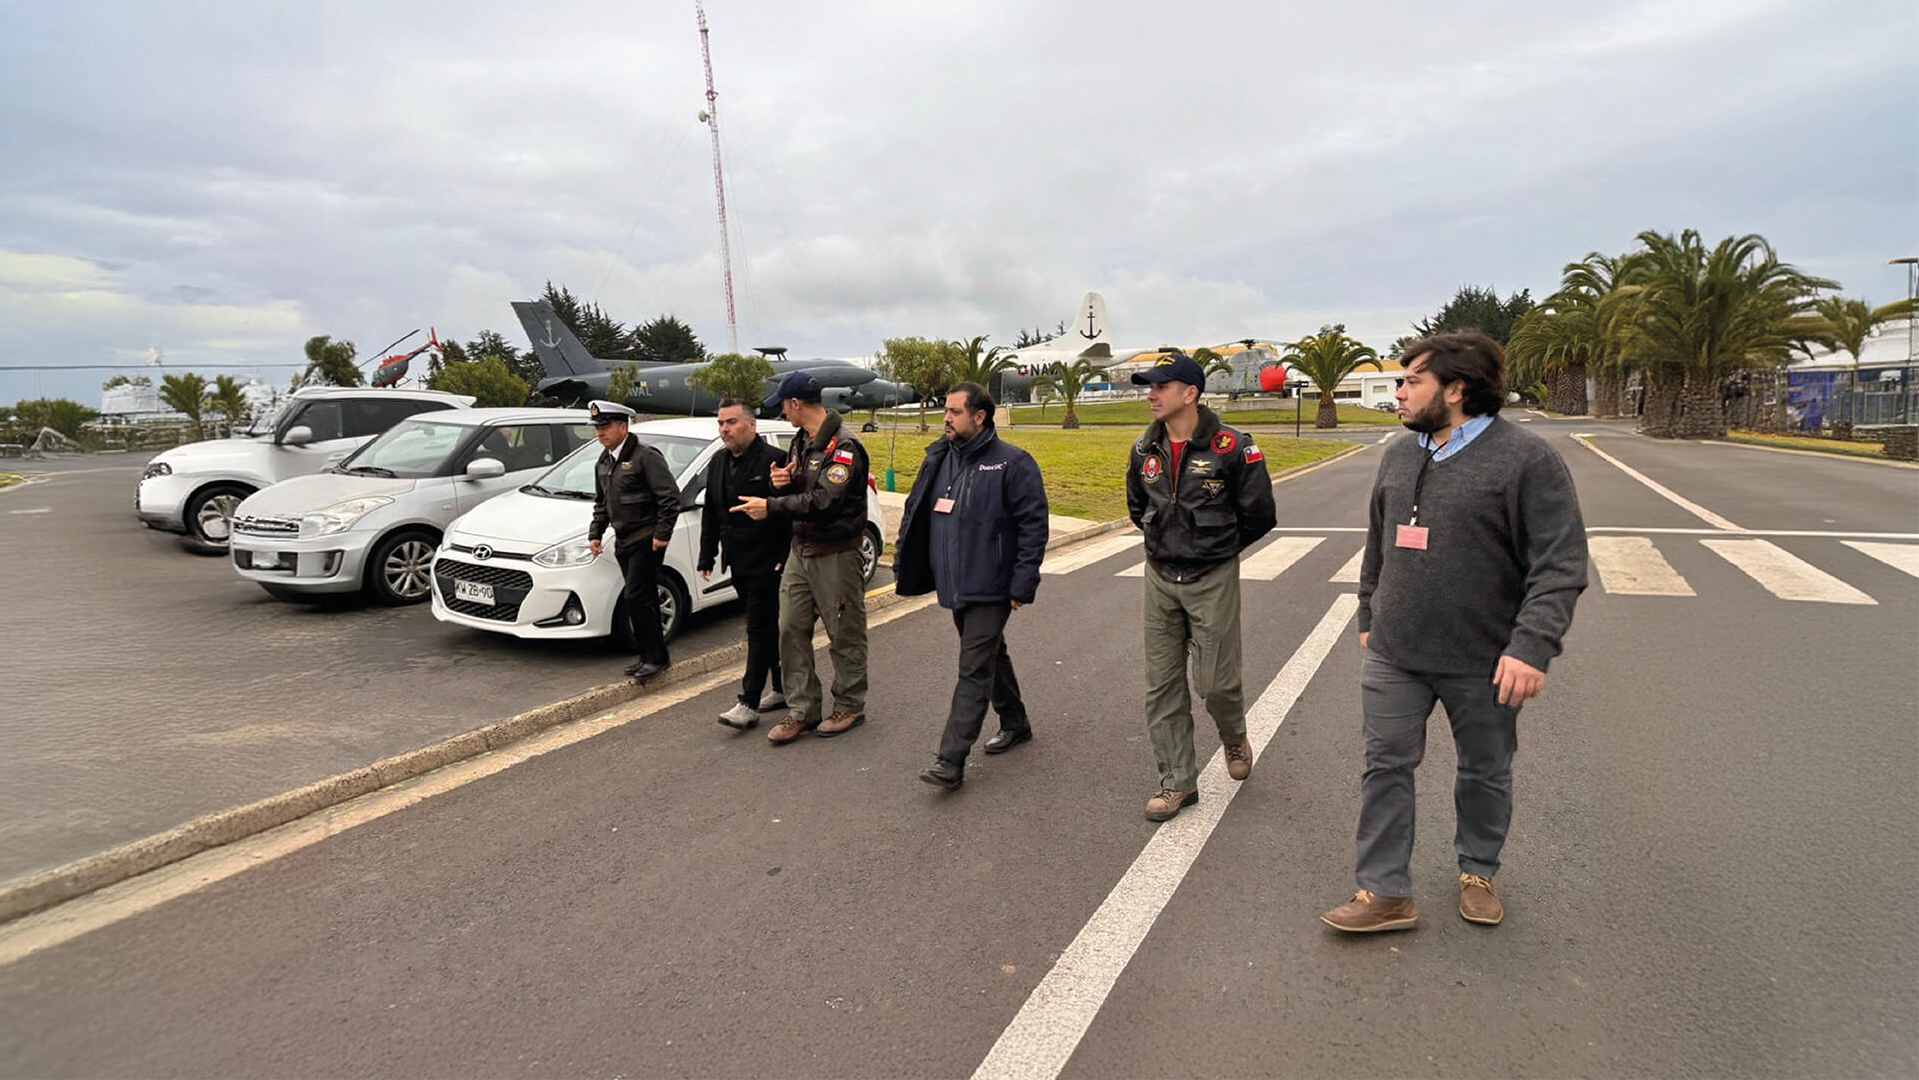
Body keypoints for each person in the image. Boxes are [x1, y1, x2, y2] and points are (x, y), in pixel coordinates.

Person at [1321, 331, 1588, 934]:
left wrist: (1531, 647)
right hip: (1395, 653)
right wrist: (1369, 615)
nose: (1400, 391)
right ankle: (1385, 892)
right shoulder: (1399, 453)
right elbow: (1377, 543)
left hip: (1483, 658)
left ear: (1457, 389)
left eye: (1413, 379)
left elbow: (1561, 563)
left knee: (1484, 770)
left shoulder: (1525, 460)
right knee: (1385, 766)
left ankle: (1478, 869)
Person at [1125, 354, 1277, 822]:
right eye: (1148, 386)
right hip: (1159, 577)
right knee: (1162, 686)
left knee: (1214, 684)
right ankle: (1178, 783)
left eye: (1160, 386)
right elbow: (1137, 507)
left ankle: (1233, 734)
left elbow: (1261, 515)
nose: (1150, 394)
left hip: (1212, 578)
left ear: (1190, 393)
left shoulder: (1233, 447)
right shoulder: (1143, 449)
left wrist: (1217, 550)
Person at [894, 383, 1050, 791]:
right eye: (945, 411)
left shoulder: (1012, 464)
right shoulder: (939, 458)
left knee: (973, 668)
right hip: (955, 583)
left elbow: (1033, 528)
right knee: (990, 655)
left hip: (992, 584)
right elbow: (916, 515)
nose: (946, 418)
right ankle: (1015, 722)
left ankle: (951, 759)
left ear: (979, 417)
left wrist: (1022, 582)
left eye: (954, 411)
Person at [732, 372, 871, 745]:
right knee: (790, 628)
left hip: (836, 552)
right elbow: (805, 487)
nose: (782, 412)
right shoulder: (802, 441)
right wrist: (784, 481)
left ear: (796, 404)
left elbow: (826, 501)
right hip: (801, 549)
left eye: (783, 405)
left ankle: (849, 705)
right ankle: (802, 709)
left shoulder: (844, 446)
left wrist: (772, 505)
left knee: (844, 632)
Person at [698, 399, 792, 730]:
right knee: (770, 627)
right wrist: (706, 555)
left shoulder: (774, 461)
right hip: (736, 560)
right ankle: (782, 688)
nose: (725, 429)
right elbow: (712, 510)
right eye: (721, 423)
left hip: (768, 561)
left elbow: (785, 513)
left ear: (751, 425)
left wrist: (783, 556)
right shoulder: (719, 461)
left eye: (732, 422)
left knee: (758, 627)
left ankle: (748, 702)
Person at [587, 399, 681, 681]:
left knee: (637, 597)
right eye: (597, 428)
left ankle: (654, 658)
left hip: (646, 539)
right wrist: (595, 532)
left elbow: (670, 498)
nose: (600, 433)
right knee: (644, 599)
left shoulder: (645, 457)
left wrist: (662, 534)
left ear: (623, 427)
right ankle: (651, 656)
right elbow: (602, 502)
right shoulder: (604, 462)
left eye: (605, 427)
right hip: (624, 541)